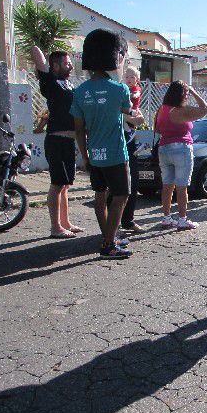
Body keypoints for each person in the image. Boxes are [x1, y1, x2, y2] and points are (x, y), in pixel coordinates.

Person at [71, 29, 144, 259]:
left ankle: (107, 236)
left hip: (95, 154)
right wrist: (137, 118)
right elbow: (129, 113)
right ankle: (109, 244)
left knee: (100, 196)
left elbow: (79, 128)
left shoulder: (80, 91)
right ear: (115, 58)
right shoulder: (119, 89)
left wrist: (85, 156)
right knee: (122, 195)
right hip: (115, 154)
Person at [30, 46, 82, 239]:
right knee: (57, 184)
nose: (70, 66)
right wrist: (45, 65)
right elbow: (36, 51)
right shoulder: (50, 82)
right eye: (67, 63)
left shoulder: (68, 85)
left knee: (65, 185)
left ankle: (66, 222)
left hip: (69, 142)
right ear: (55, 65)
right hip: (56, 141)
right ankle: (55, 227)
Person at [155, 81, 207, 230]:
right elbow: (205, 108)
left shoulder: (162, 109)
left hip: (164, 148)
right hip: (181, 148)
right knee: (182, 186)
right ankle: (182, 219)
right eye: (186, 94)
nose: (187, 96)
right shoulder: (181, 110)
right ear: (181, 94)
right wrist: (193, 91)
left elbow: (158, 129)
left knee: (167, 185)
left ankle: (166, 217)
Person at [119, 65, 146, 233]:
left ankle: (128, 220)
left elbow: (139, 118)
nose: (128, 80)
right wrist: (129, 118)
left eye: (131, 77)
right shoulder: (120, 90)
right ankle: (113, 225)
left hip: (129, 139)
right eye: (126, 77)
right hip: (117, 141)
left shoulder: (135, 90)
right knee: (117, 186)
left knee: (132, 182)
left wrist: (133, 118)